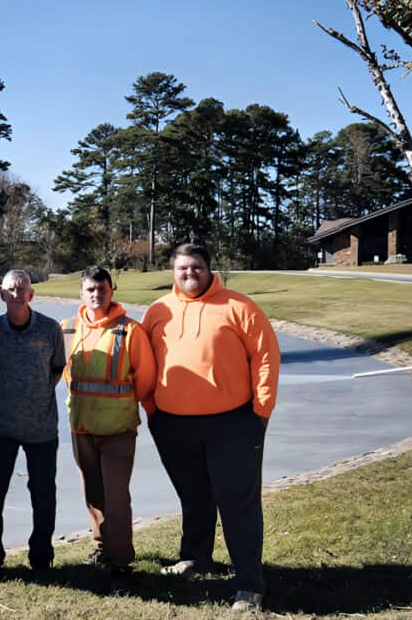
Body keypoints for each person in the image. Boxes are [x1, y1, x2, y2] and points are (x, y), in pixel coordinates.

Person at [142, 243, 281, 613]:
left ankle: (249, 583)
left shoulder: (238, 307)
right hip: (172, 423)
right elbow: (143, 362)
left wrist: (261, 410)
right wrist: (152, 408)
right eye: (183, 268)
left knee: (238, 503)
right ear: (173, 272)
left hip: (233, 422)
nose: (190, 274)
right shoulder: (158, 311)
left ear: (209, 269)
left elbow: (266, 355)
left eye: (197, 267)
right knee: (194, 495)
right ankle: (196, 556)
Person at [60, 265, 155, 577]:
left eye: (102, 289)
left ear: (112, 291)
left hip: (118, 430)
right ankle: (101, 547)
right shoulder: (67, 329)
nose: (96, 294)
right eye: (90, 289)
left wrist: (122, 408)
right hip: (81, 428)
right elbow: (63, 374)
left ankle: (122, 562)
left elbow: (145, 379)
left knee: (115, 497)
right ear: (81, 292)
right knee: (94, 495)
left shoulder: (130, 331)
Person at [0, 269, 66, 580]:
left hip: (42, 429)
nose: (16, 294)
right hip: (1, 427)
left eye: (22, 289)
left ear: (31, 294)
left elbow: (57, 370)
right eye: (10, 290)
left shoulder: (49, 328)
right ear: (2, 295)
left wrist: (35, 395)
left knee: (43, 496)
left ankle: (41, 556)